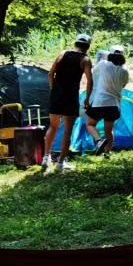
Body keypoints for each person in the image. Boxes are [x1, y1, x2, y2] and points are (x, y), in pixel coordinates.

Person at [44, 34, 93, 171]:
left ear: (75, 44)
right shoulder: (85, 60)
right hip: (70, 98)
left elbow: (51, 73)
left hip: (57, 96)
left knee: (52, 127)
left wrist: (53, 88)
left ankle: (45, 158)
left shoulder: (63, 54)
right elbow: (90, 80)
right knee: (67, 131)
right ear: (88, 47)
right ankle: (60, 164)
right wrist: (88, 98)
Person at [83, 46, 130, 155]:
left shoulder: (103, 64)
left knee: (90, 124)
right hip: (114, 105)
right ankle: (107, 152)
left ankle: (99, 140)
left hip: (100, 102)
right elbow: (123, 85)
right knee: (109, 130)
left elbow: (94, 72)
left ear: (110, 54)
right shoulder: (125, 70)